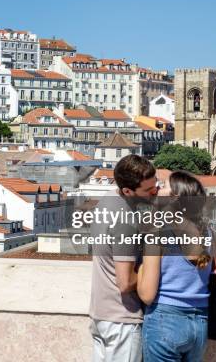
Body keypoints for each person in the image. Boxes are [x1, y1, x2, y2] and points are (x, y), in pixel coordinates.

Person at [136, 171, 216, 362]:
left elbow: (147, 294)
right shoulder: (208, 233)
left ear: (175, 197)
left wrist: (140, 269)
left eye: (163, 186)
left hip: (165, 319)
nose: (157, 189)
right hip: (199, 323)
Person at [89, 155, 159, 362]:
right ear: (128, 191)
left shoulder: (106, 202)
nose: (154, 192)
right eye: (148, 190)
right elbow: (125, 281)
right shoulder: (126, 220)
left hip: (101, 314)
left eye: (155, 186)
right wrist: (150, 270)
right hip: (122, 321)